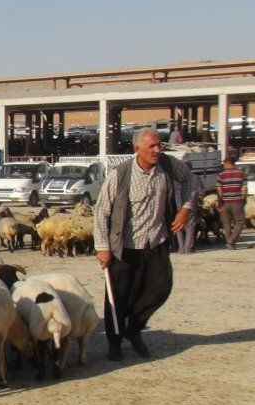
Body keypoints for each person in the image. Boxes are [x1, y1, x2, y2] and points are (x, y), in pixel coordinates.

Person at [94, 128, 200, 361]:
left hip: (156, 241)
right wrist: (102, 247)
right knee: (118, 297)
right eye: (151, 146)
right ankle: (114, 342)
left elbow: (192, 180)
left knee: (161, 288)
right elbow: (101, 211)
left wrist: (185, 208)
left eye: (159, 145)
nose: (157, 150)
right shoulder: (120, 174)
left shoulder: (169, 166)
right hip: (125, 245)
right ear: (137, 149)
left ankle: (133, 329)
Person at [217, 153, 248, 250]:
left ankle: (230, 243)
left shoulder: (221, 175)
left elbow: (219, 189)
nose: (224, 165)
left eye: (224, 164)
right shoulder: (241, 173)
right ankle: (231, 242)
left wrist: (221, 201)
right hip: (237, 201)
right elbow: (244, 189)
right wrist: (243, 200)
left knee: (226, 223)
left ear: (228, 163)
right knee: (240, 222)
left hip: (225, 202)